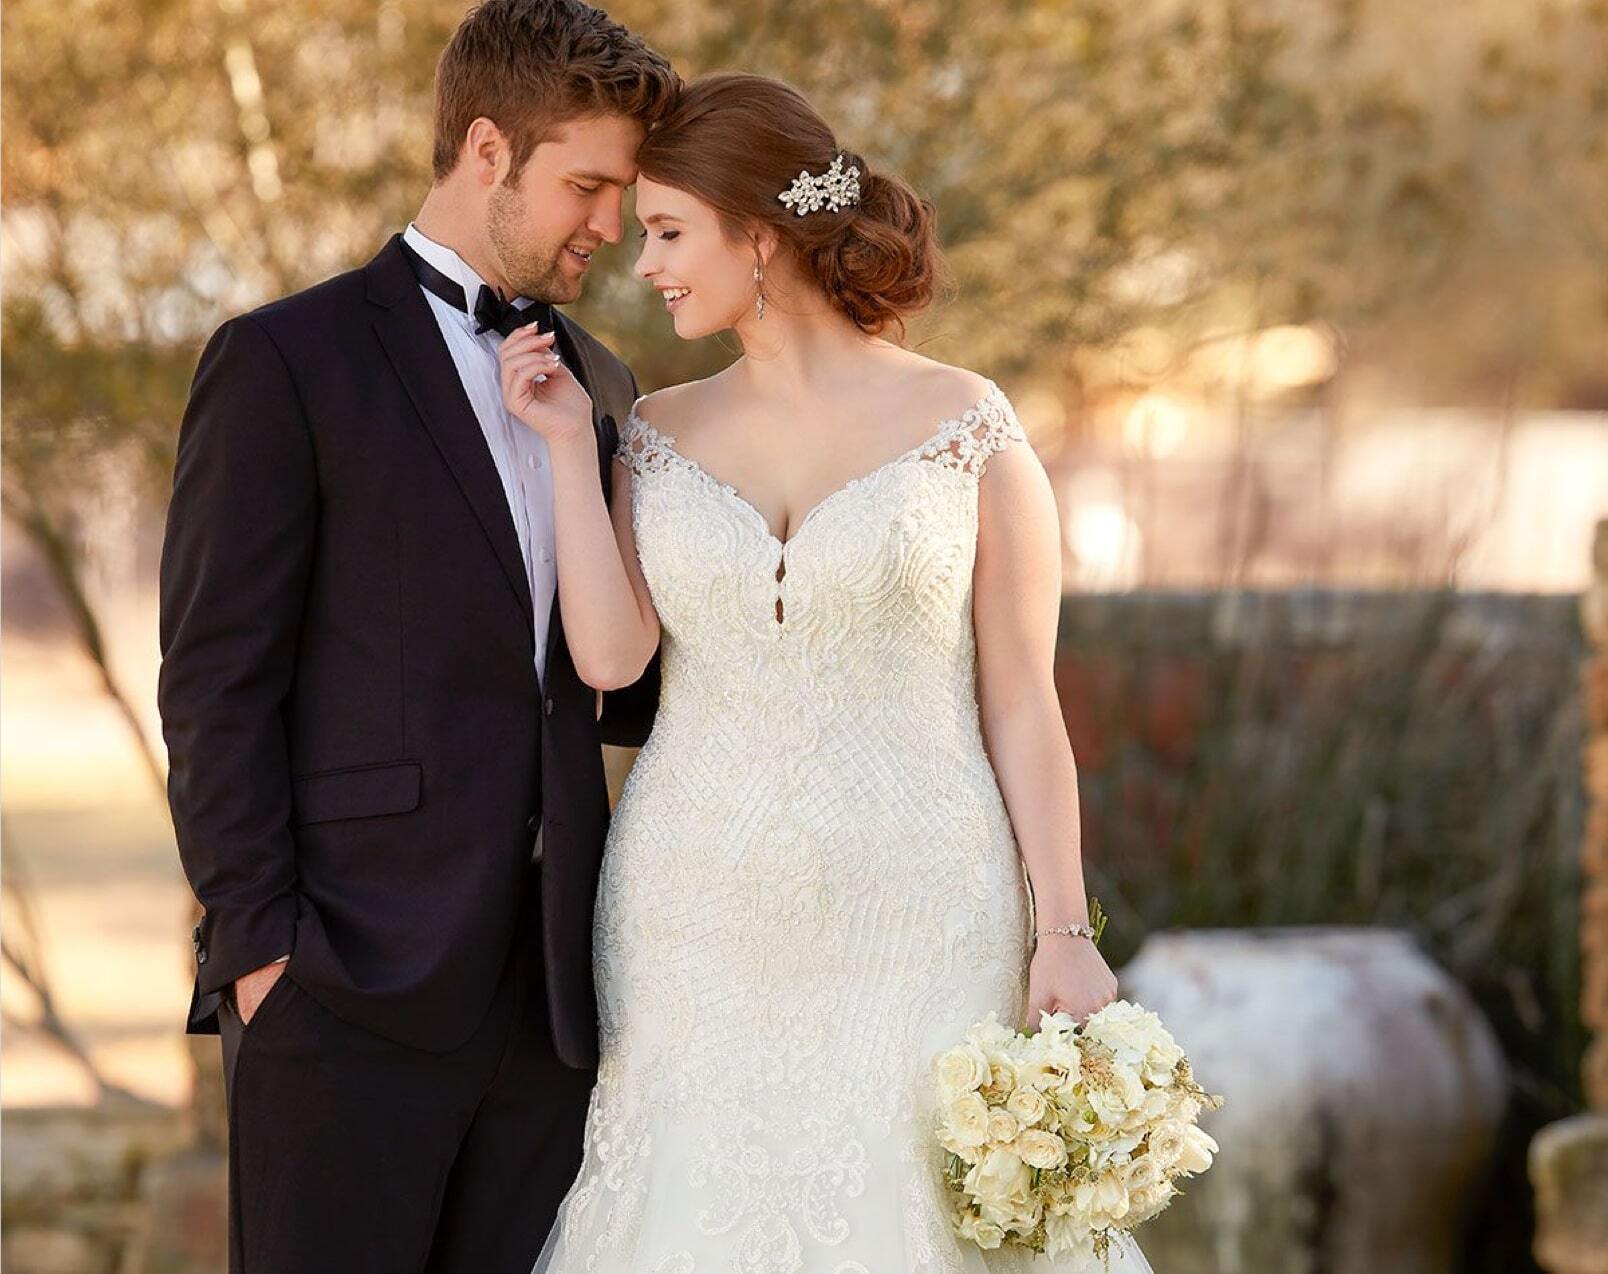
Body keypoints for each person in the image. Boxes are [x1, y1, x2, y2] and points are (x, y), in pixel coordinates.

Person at [496, 72, 1154, 1273]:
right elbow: (611, 656)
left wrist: (1063, 923)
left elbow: (1022, 701)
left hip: (924, 901)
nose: (647, 264)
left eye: (669, 232)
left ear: (759, 232)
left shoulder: (968, 427)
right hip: (693, 912)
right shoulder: (656, 431)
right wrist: (556, 452)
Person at [156, 3, 675, 1269]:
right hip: (342, 985)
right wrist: (262, 952)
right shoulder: (285, 360)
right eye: (588, 185)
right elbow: (217, 680)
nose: (607, 226)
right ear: (487, 149)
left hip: (552, 1002)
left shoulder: (604, 387)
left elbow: (610, 685)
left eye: (622, 196)